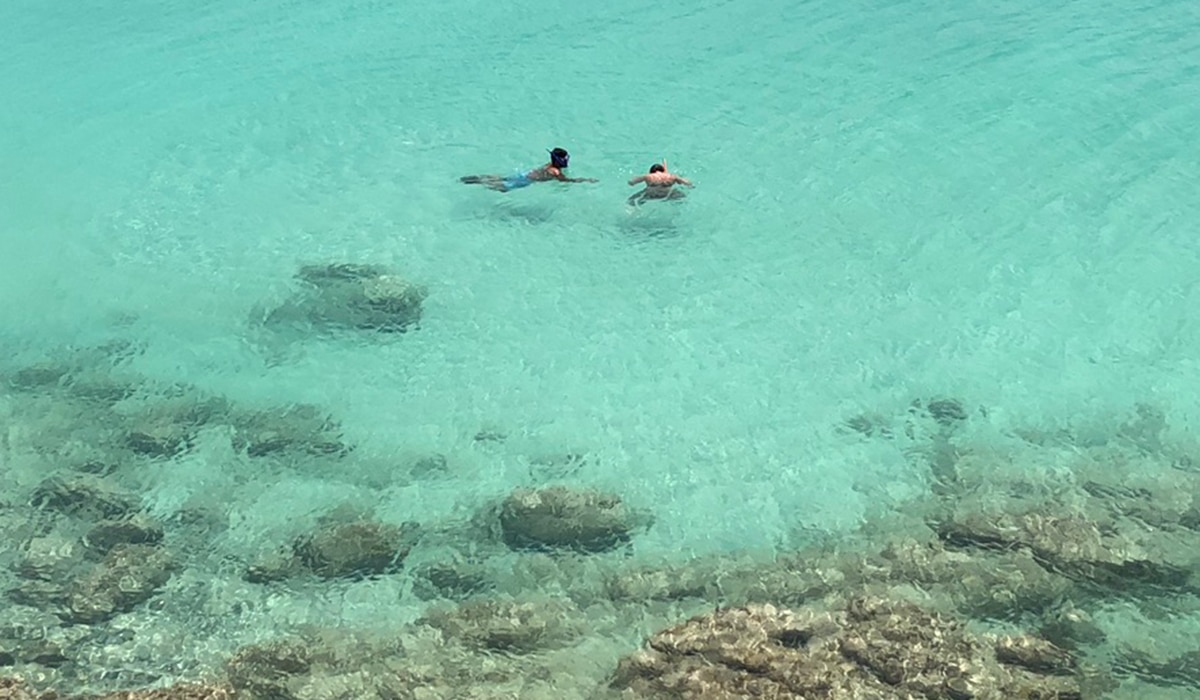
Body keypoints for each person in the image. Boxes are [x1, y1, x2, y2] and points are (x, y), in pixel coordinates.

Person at [460, 148, 598, 192]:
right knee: (503, 188)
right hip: (526, 180)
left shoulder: (549, 164)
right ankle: (476, 182)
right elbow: (566, 181)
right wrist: (584, 180)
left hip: (525, 174)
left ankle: (474, 178)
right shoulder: (555, 172)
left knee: (504, 179)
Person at [627, 159, 694, 205]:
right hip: (668, 195)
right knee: (683, 197)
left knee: (630, 201)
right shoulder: (672, 176)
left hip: (651, 195)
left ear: (651, 171)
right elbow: (687, 183)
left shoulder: (648, 176)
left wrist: (631, 181)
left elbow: (631, 182)